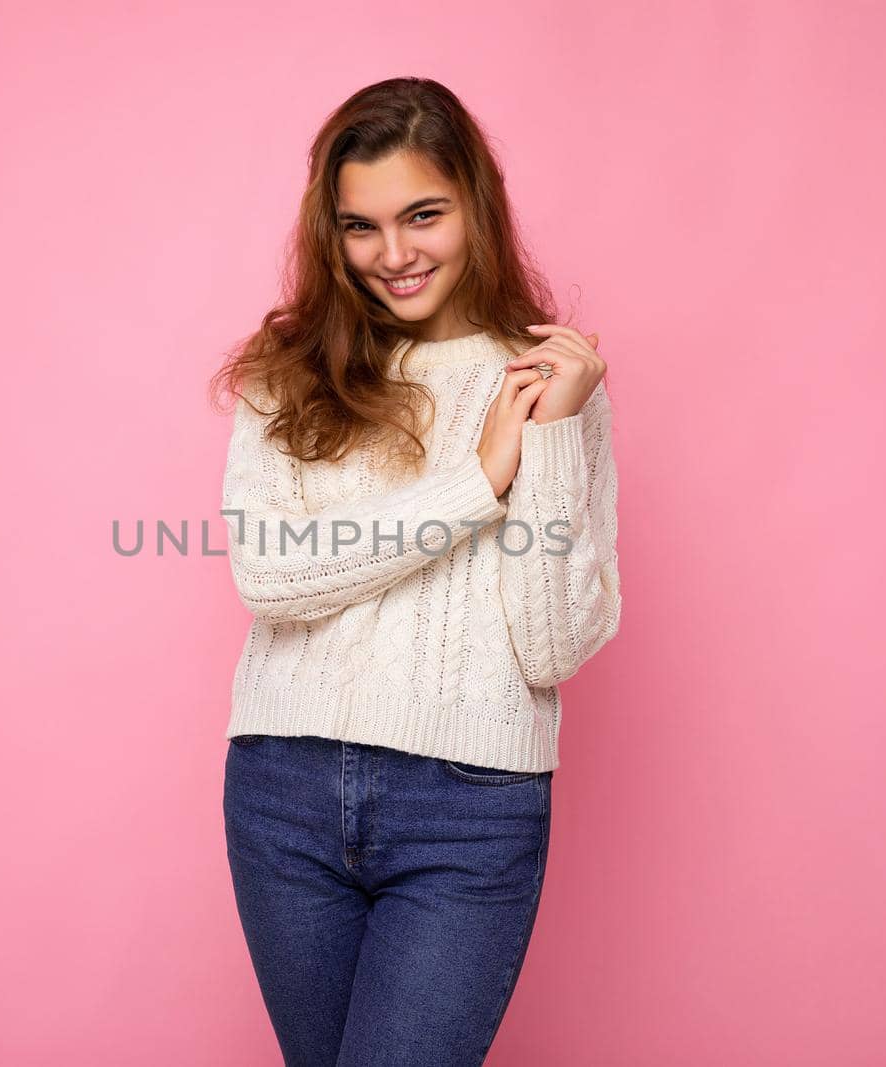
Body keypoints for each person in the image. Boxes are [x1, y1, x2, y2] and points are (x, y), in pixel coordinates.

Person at [208, 76, 622, 1066]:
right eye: (361, 226)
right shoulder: (286, 370)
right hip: (282, 788)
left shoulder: (545, 384)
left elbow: (550, 644)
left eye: (422, 214)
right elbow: (270, 576)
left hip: (469, 803)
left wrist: (552, 436)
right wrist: (476, 482)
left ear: (475, 202)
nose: (394, 255)